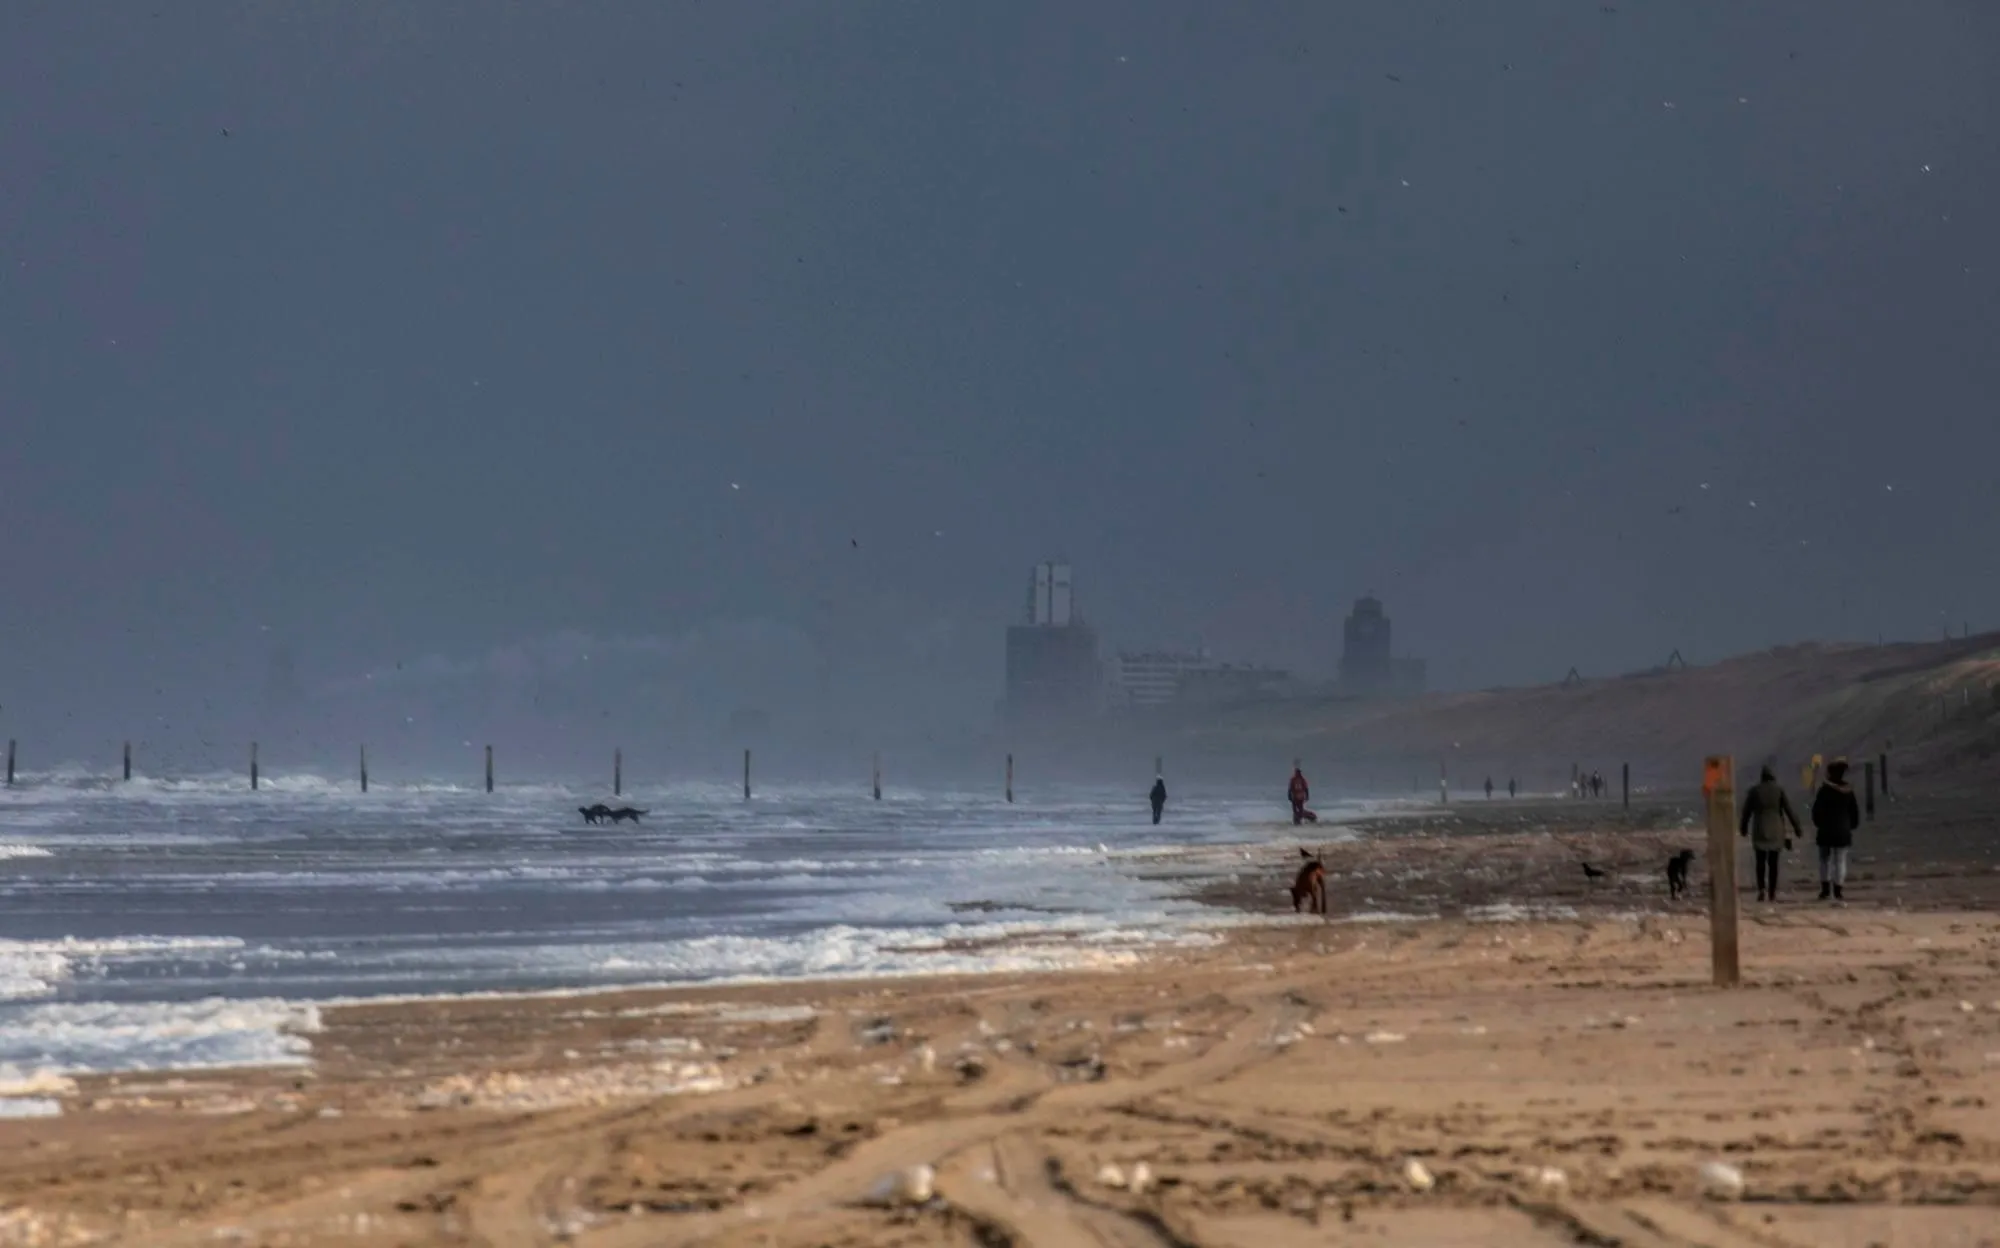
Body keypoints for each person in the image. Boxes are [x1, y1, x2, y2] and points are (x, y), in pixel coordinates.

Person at [1738, 765, 1802, 902]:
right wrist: (1797, 828)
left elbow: (1746, 812)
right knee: (1774, 863)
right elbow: (1789, 810)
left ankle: (1762, 889)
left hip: (1760, 829)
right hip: (1776, 830)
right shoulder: (1779, 790)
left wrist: (1743, 828)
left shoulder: (1754, 791)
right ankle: (1772, 892)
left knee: (1760, 862)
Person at [1811, 759, 1862, 901]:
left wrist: (1818, 823)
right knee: (1840, 861)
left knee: (1824, 860)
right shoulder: (1848, 792)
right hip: (1842, 831)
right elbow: (1854, 813)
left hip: (1826, 831)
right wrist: (1851, 826)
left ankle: (1825, 890)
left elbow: (1816, 811)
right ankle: (1838, 890)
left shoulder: (1824, 791)